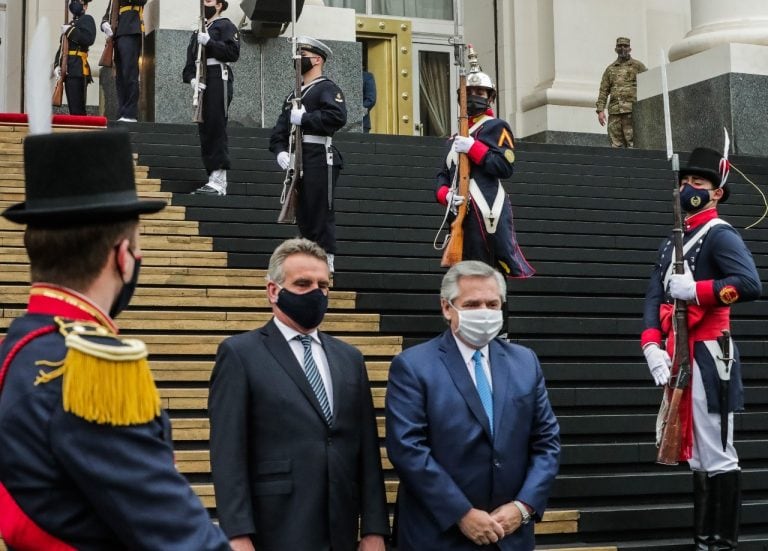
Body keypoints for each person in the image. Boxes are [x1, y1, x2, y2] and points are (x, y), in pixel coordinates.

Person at [0, 130, 229, 550]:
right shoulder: (88, 370)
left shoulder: (18, 348)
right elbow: (179, 536)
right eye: (138, 247)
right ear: (123, 257)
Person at [207, 238, 389, 551]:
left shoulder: (350, 358)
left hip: (340, 529)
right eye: (303, 283)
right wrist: (237, 535)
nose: (316, 292)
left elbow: (368, 451)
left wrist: (374, 530)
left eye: (323, 284)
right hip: (275, 529)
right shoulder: (239, 354)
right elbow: (228, 454)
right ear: (273, 291)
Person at [386, 260, 561, 550]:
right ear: (446, 308)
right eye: (472, 304)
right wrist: (461, 513)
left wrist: (523, 507)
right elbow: (408, 449)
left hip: (509, 535)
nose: (484, 312)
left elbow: (547, 442)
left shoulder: (525, 362)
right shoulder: (413, 366)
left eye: (492, 304)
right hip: (438, 535)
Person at [641, 148, 761, 550]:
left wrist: (698, 291)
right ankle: (703, 541)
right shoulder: (670, 241)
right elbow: (653, 297)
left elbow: (747, 284)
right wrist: (652, 347)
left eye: (699, 184)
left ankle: (720, 544)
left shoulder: (719, 234)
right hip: (679, 351)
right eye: (685, 182)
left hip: (710, 352)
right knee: (695, 454)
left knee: (716, 451)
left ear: (717, 194)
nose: (689, 189)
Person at [436, 48, 534, 278]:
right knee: (463, 276)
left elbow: (504, 166)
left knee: (487, 275)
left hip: (487, 210)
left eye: (480, 92)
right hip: (460, 211)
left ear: (490, 97)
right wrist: (445, 195)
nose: (473, 96)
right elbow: (442, 175)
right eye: (469, 92)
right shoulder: (453, 138)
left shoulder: (496, 127)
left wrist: (473, 148)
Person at [269, 37, 347, 274]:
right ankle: (308, 258)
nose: (298, 58)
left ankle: (326, 258)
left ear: (317, 59)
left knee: (319, 209)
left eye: (302, 53)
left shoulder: (327, 88)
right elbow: (280, 130)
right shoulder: (293, 94)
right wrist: (281, 151)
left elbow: (336, 117)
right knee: (302, 212)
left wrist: (305, 118)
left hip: (319, 156)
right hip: (297, 157)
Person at [182, 0, 240, 196]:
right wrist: (192, 80)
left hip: (218, 77)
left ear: (219, 5)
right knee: (205, 129)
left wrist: (210, 42)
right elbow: (189, 64)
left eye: (208, 0)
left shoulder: (225, 25)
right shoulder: (198, 30)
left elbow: (233, 52)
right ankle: (212, 176)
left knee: (215, 125)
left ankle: (219, 180)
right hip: (202, 80)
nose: (203, 3)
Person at [595, 37, 647, 148]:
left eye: (625, 46)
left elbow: (649, 83)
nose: (622, 48)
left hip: (632, 111)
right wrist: (600, 110)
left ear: (630, 48)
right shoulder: (610, 69)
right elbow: (603, 91)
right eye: (620, 46)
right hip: (614, 112)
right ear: (615, 49)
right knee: (615, 145)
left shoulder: (638, 66)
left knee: (633, 144)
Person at [101, 0, 145, 122]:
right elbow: (108, 14)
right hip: (118, 34)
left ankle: (130, 113)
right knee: (120, 76)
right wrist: (104, 24)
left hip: (131, 29)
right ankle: (123, 111)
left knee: (130, 73)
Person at [54, 0, 96, 115]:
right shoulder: (70, 24)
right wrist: (57, 65)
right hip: (68, 70)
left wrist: (70, 30)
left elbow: (88, 39)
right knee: (73, 109)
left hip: (78, 68)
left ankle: (81, 132)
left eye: (79, 1)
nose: (75, 3)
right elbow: (62, 48)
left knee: (78, 109)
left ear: (85, 6)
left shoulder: (87, 19)